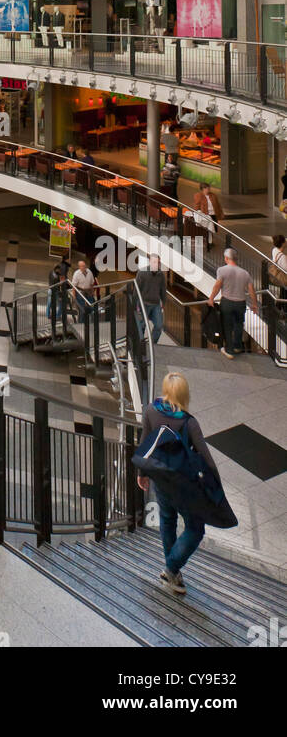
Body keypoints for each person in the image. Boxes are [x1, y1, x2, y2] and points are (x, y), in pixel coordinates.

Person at [136, 372, 221, 595]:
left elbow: (145, 443)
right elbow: (205, 457)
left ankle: (172, 573)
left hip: (160, 479)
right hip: (184, 485)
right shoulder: (189, 423)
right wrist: (215, 485)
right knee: (195, 528)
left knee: (167, 519)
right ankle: (171, 568)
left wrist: (142, 473)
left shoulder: (151, 411)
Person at [207, 250, 258, 359]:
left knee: (227, 326)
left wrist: (211, 298)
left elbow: (217, 286)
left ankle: (229, 350)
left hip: (227, 301)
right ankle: (237, 346)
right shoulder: (245, 273)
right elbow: (251, 290)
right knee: (239, 324)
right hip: (241, 303)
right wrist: (254, 304)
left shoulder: (222, 270)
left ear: (226, 258)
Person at [136, 259, 166, 344]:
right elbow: (136, 289)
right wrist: (136, 304)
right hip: (143, 304)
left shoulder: (161, 275)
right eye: (154, 262)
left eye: (158, 262)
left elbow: (163, 290)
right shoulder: (142, 272)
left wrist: (163, 302)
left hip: (156, 305)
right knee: (142, 325)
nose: (157, 264)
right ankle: (139, 344)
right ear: (150, 262)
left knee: (159, 326)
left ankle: (152, 344)